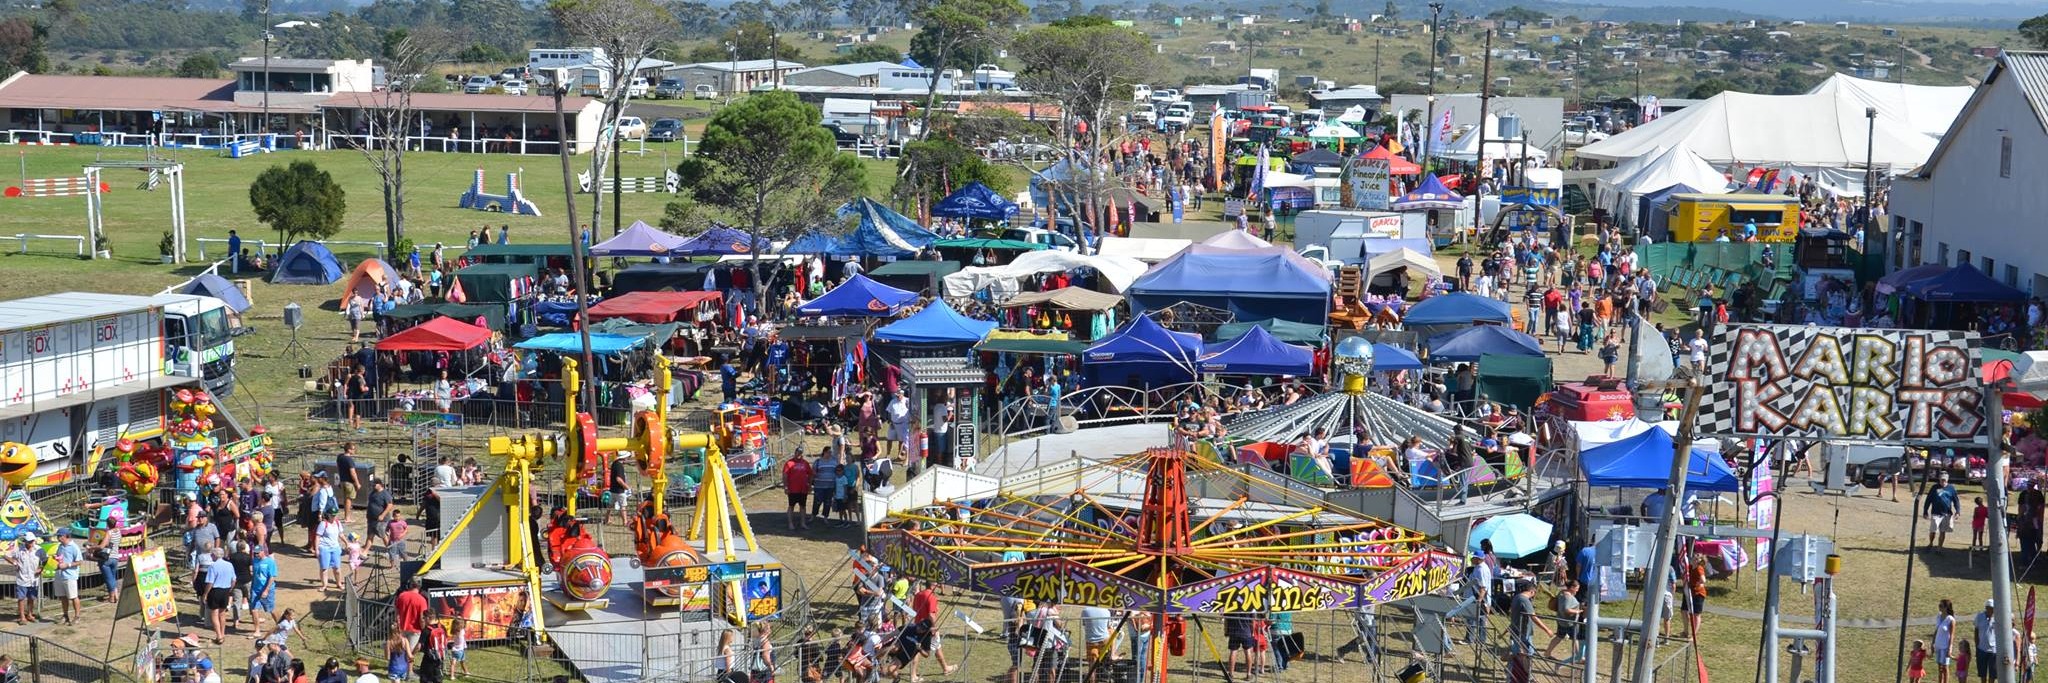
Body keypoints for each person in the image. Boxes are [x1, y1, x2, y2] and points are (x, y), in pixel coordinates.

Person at [1507, 579, 1552, 674]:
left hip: (1517, 629)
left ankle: (1512, 669)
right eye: (1534, 593)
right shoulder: (1525, 600)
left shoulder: (1516, 597)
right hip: (1523, 631)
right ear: (1532, 591)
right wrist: (1547, 629)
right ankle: (1525, 675)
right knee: (1527, 654)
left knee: (1521, 652)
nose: (1534, 595)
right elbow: (1533, 617)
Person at [1541, 579, 1584, 663]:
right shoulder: (1568, 597)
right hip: (1570, 622)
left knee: (1559, 637)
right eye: (1577, 588)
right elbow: (1566, 609)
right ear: (1572, 587)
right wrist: (1578, 611)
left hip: (1561, 620)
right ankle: (1579, 657)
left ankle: (1547, 653)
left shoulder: (1562, 593)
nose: (1577, 590)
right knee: (1575, 639)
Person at [204, 544, 236, 643]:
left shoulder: (213, 566)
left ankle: (219, 636)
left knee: (214, 614)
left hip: (215, 591)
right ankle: (222, 633)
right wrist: (230, 588)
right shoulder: (229, 564)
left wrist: (205, 593)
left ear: (214, 555)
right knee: (222, 614)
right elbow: (234, 579)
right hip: (225, 590)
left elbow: (210, 582)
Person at [51, 529, 81, 625]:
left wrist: (67, 565)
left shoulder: (74, 547)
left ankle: (77, 616)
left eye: (59, 536)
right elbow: (60, 558)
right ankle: (65, 615)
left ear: (65, 536)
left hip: (70, 576)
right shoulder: (60, 546)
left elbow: (79, 561)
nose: (58, 538)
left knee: (73, 597)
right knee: (63, 597)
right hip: (60, 575)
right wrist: (56, 558)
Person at [11, 536, 42, 625]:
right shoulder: (18, 549)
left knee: (31, 598)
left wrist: (41, 568)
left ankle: (30, 614)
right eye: (27, 541)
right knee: (21, 598)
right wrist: (14, 562)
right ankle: (22, 617)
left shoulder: (39, 549)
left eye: (30, 541)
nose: (29, 543)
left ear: (34, 541)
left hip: (33, 579)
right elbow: (6, 555)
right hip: (22, 579)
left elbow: (44, 559)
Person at [782, 450, 813, 531]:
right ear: (795, 453)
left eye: (801, 453)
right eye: (798, 453)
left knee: (803, 506)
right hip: (792, 489)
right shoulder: (789, 463)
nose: (799, 455)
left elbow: (810, 474)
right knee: (791, 506)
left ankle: (803, 523)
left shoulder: (805, 463)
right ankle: (790, 523)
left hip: (803, 489)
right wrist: (786, 487)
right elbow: (785, 475)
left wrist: (809, 485)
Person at [1928, 474, 1961, 548]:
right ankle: (1931, 543)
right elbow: (1928, 499)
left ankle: (1939, 547)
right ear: (1939, 479)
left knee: (1942, 532)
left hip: (1946, 513)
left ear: (1947, 480)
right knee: (1933, 530)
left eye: (1944, 480)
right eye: (1941, 480)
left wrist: (1958, 511)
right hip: (1936, 513)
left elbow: (1956, 501)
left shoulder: (1951, 488)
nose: (1943, 481)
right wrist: (1925, 510)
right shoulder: (1934, 487)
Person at [316, 511, 345, 590]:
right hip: (324, 548)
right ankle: (324, 585)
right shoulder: (323, 524)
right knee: (324, 568)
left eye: (335, 514)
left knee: (337, 568)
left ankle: (339, 583)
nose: (334, 516)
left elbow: (341, 534)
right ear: (328, 515)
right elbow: (318, 536)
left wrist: (347, 543)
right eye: (332, 515)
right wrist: (316, 549)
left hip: (335, 548)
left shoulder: (338, 523)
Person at [1684, 549, 1708, 641]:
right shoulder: (1690, 567)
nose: (1695, 559)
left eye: (1697, 559)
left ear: (1700, 561)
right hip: (1691, 592)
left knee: (1696, 615)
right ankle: (1686, 631)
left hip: (1698, 593)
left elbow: (1703, 580)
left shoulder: (1699, 568)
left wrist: (1698, 583)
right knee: (1684, 611)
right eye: (1694, 558)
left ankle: (1694, 635)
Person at [335, 443, 362, 523]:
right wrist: (357, 483)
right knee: (349, 500)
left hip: (342, 480)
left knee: (346, 499)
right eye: (353, 449)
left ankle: (347, 516)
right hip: (349, 482)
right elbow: (353, 473)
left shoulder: (340, 457)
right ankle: (347, 518)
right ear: (349, 450)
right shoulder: (349, 460)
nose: (354, 450)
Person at [1977, 600, 1999, 683]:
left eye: (1993, 608)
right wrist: (1977, 644)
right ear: (1986, 608)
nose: (1992, 610)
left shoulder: (1997, 618)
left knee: (1992, 674)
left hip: (1993, 650)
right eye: (1990, 608)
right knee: (1982, 673)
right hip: (1982, 649)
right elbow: (1976, 629)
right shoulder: (1980, 616)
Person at [1937, 599, 1958, 683]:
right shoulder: (1939, 616)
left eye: (1941, 606)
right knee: (1939, 667)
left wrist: (1950, 648)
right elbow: (1936, 629)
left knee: (1945, 667)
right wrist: (1933, 643)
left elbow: (1952, 635)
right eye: (1939, 605)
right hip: (1938, 645)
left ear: (1946, 608)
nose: (1939, 607)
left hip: (1945, 646)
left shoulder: (1950, 619)